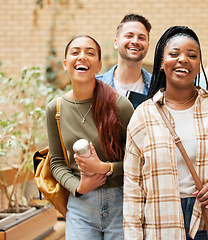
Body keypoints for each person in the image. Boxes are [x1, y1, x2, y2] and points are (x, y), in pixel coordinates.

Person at [123, 25, 208, 240]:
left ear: (198, 64)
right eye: (174, 54)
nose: (183, 59)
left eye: (192, 55)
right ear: (162, 63)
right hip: (161, 224)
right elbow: (133, 188)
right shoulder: (143, 116)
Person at [47, 35, 134, 239]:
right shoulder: (55, 109)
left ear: (99, 65)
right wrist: (78, 187)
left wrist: (105, 168)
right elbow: (57, 162)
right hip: (80, 205)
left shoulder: (120, 106)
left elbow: (138, 161)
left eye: (90, 53)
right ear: (65, 63)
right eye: (75, 52)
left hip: (121, 203)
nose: (82, 57)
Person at [96, 13, 152, 98]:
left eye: (141, 38)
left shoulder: (160, 88)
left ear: (147, 46)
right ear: (116, 43)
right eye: (129, 36)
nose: (135, 41)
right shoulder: (95, 87)